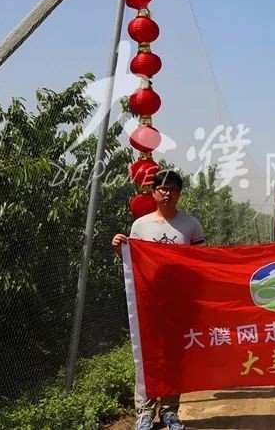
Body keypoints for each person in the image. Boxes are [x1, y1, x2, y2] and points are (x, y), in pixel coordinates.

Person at [112, 170, 206, 430]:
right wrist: (121, 249)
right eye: (162, 188)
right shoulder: (140, 226)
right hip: (149, 303)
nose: (167, 193)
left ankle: (169, 411)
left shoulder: (190, 225)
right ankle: (144, 411)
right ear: (153, 192)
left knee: (174, 356)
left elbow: (202, 263)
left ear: (179, 193)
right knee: (147, 355)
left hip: (178, 302)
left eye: (173, 189)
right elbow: (134, 264)